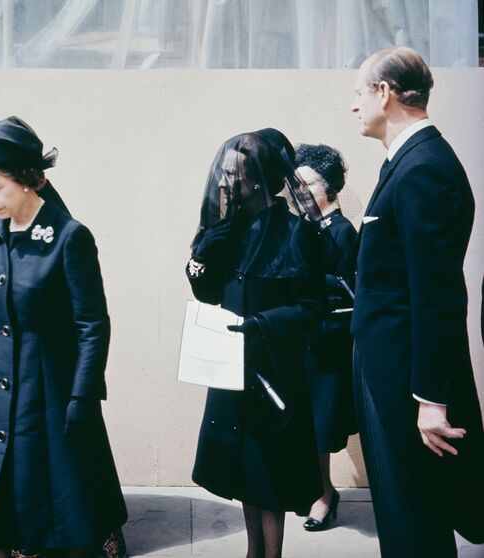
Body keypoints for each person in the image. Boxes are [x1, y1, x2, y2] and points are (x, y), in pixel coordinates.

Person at [0, 116, 127, 558]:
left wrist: (82, 396)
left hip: (51, 397)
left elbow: (93, 324)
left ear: (26, 178)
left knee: (57, 517)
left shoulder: (69, 237)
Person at [350, 47, 484, 557]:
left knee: (414, 522)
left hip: (405, 383)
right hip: (388, 368)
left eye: (360, 93)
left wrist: (431, 399)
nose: (355, 106)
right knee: (403, 516)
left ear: (385, 93)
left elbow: (437, 295)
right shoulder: (409, 162)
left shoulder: (423, 167)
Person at [186, 130, 325, 558]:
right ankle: (253, 552)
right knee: (246, 471)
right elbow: (208, 293)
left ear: (259, 178)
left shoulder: (295, 232)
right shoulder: (230, 229)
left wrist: (261, 324)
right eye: (225, 173)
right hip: (233, 367)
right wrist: (202, 256)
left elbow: (313, 306)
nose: (225, 182)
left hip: (274, 371)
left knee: (270, 475)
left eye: (235, 174)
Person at [294, 144, 357, 531]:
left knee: (321, 425)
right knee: (308, 423)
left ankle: (324, 495)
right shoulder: (307, 228)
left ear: (329, 186)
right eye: (296, 185)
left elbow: (349, 287)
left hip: (330, 342)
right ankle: (318, 490)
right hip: (306, 338)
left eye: (308, 184)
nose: (300, 193)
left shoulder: (342, 231)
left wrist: (308, 282)